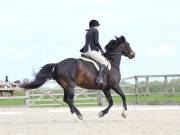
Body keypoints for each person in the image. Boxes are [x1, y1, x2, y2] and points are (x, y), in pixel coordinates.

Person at [80, 19, 108, 85]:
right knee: (104, 62)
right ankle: (100, 79)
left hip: (85, 51)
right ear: (95, 26)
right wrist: (102, 50)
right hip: (91, 51)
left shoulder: (88, 32)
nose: (98, 27)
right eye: (97, 26)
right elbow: (96, 42)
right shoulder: (96, 31)